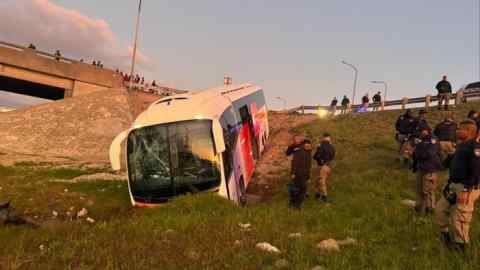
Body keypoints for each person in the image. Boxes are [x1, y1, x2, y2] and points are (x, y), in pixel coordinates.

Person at [435, 120, 480, 252]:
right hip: (453, 184)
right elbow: (450, 164)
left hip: (467, 187)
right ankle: (445, 237)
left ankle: (461, 246)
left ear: (468, 131)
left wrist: (468, 188)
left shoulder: (475, 146)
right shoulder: (461, 146)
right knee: (440, 209)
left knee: (460, 217)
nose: (456, 131)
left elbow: (477, 169)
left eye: (460, 129)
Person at [412, 127, 442, 215]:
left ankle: (430, 208)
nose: (422, 133)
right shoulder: (421, 141)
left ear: (428, 131)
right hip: (421, 167)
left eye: (423, 131)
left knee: (428, 190)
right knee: (419, 188)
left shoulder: (433, 140)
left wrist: (418, 154)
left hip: (430, 168)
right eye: (420, 132)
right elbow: (415, 152)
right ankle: (420, 206)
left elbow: (430, 153)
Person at [288, 139, 313, 209]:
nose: (308, 146)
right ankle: (295, 205)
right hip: (298, 174)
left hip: (304, 175)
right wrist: (293, 173)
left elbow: (308, 167)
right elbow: (294, 163)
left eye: (309, 145)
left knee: (301, 190)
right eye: (306, 145)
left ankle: (295, 204)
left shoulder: (309, 153)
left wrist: (308, 177)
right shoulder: (299, 152)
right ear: (303, 145)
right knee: (299, 190)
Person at [313, 133, 336, 202]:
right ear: (330, 138)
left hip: (322, 165)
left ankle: (324, 196)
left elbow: (316, 156)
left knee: (321, 181)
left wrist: (318, 149)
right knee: (318, 180)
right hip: (329, 166)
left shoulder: (321, 146)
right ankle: (318, 194)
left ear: (323, 138)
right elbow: (332, 156)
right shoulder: (332, 147)